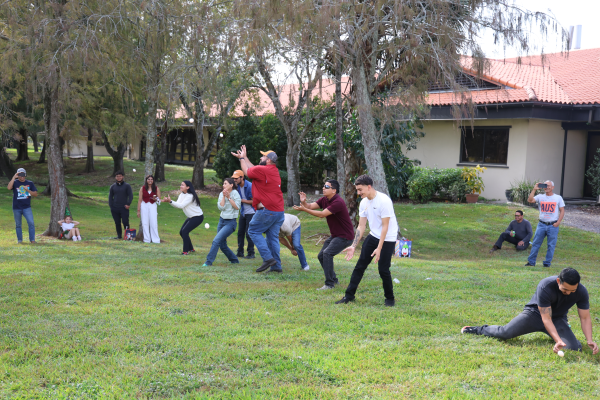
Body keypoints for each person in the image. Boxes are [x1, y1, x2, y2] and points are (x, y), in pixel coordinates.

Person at [462, 268, 599, 355]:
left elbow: (585, 318)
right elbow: (546, 318)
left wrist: (589, 339)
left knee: (574, 348)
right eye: (565, 290)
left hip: (558, 319)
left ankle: (567, 340)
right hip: (534, 314)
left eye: (572, 290)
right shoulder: (546, 286)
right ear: (558, 281)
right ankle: (478, 330)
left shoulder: (581, 291)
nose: (568, 293)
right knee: (505, 333)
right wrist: (557, 340)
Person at [335, 175, 399, 307]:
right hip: (373, 235)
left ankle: (390, 298)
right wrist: (353, 245)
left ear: (369, 187)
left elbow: (385, 227)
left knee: (383, 270)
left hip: (388, 238)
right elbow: (361, 226)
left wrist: (379, 248)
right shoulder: (364, 202)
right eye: (357, 190)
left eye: (360, 189)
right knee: (360, 266)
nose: (358, 193)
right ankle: (349, 296)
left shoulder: (384, 201)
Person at [231, 145, 285, 273]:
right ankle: (276, 267)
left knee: (253, 230)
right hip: (279, 211)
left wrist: (242, 159)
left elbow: (248, 172)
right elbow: (253, 168)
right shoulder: (272, 170)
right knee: (272, 238)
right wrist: (245, 157)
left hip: (268, 210)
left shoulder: (264, 170)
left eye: (263, 155)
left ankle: (268, 258)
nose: (261, 156)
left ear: (268, 160)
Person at [293, 179, 354, 290]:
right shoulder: (325, 199)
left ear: (334, 190)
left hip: (345, 236)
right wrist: (304, 202)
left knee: (327, 254)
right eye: (323, 186)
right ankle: (334, 280)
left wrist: (304, 209)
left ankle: (329, 284)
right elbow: (310, 206)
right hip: (336, 235)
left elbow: (322, 214)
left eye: (326, 186)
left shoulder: (338, 202)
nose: (323, 188)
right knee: (322, 255)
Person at [525, 180, 565, 267]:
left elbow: (562, 210)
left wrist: (558, 222)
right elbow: (530, 200)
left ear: (553, 187)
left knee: (551, 245)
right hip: (541, 224)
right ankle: (531, 262)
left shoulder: (558, 198)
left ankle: (547, 263)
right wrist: (534, 189)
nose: (547, 187)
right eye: (545, 185)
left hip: (553, 225)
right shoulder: (540, 196)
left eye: (549, 186)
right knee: (536, 243)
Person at [203, 178, 242, 266]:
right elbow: (221, 208)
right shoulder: (221, 194)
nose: (223, 185)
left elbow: (237, 207)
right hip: (222, 221)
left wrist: (229, 197)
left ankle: (208, 262)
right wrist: (224, 196)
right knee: (222, 245)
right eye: (223, 183)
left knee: (216, 240)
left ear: (231, 185)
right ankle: (234, 260)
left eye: (225, 183)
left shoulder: (235, 193)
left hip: (231, 223)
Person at [162, 180, 204, 255]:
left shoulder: (190, 196)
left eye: (183, 185)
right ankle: (191, 249)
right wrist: (169, 201)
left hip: (197, 217)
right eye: (181, 184)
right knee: (182, 232)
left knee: (185, 231)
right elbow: (178, 204)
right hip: (191, 217)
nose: (181, 186)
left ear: (188, 187)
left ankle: (185, 251)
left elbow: (181, 205)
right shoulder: (182, 194)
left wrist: (170, 201)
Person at [7, 168, 38, 243]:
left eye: (23, 174)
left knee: (31, 223)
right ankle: (20, 240)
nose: (22, 176)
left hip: (27, 207)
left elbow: (35, 194)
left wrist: (27, 190)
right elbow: (9, 188)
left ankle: (32, 240)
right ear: (17, 175)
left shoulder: (30, 183)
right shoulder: (14, 182)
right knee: (18, 224)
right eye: (20, 174)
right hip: (16, 207)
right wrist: (14, 177)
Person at [232, 170, 255, 259]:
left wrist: (240, 200)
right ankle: (240, 252)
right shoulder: (237, 187)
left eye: (236, 178)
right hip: (243, 212)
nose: (234, 180)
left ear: (242, 177)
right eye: (233, 178)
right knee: (240, 233)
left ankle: (251, 253)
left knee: (249, 233)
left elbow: (254, 201)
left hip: (251, 213)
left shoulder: (250, 186)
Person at [136, 175, 161, 244]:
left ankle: (155, 239)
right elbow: (140, 200)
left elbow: (159, 199)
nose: (150, 180)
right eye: (148, 179)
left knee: (153, 222)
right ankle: (147, 239)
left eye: (151, 179)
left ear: (153, 180)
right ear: (146, 180)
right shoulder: (143, 188)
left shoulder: (156, 188)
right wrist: (138, 210)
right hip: (144, 205)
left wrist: (156, 199)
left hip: (152, 205)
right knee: (145, 223)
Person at [108, 171, 133, 239]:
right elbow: (110, 197)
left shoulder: (127, 186)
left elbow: (130, 196)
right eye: (117, 176)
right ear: (115, 177)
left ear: (123, 177)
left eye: (120, 176)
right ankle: (119, 236)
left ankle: (128, 236)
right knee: (117, 222)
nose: (119, 177)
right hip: (115, 208)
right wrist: (111, 206)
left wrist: (128, 204)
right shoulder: (113, 186)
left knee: (125, 222)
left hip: (124, 207)